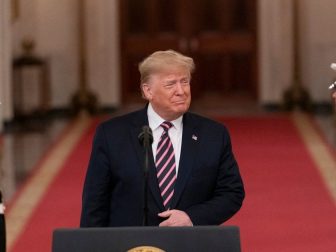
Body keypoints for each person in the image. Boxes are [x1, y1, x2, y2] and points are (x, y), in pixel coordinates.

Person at [80, 50, 245, 227]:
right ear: (148, 90)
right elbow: (95, 203)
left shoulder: (213, 135)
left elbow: (231, 193)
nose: (181, 91)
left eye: (185, 82)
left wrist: (192, 217)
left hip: (191, 244)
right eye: (170, 84)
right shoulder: (112, 134)